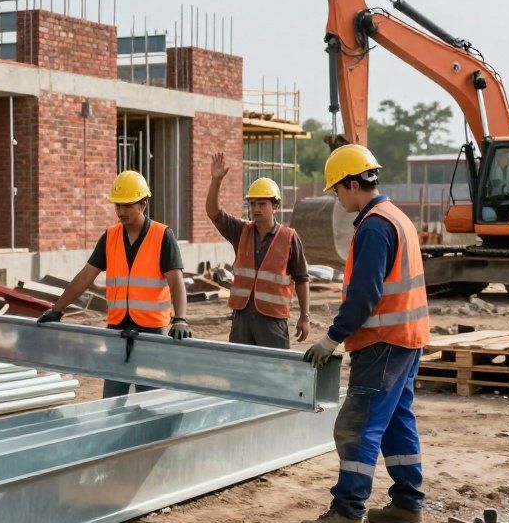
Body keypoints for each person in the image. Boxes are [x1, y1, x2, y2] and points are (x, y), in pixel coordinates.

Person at [299, 144, 430, 523]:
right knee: (395, 422)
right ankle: (408, 504)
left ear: (354, 184)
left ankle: (347, 512)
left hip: (382, 342)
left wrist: (331, 338)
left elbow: (364, 295)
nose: (337, 199)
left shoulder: (374, 226)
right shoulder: (396, 218)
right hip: (406, 340)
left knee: (356, 426)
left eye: (337, 190)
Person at [36, 170, 190, 397]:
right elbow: (86, 276)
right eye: (118, 205)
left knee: (150, 399)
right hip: (117, 329)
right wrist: (57, 309)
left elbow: (176, 282)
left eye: (128, 205)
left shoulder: (162, 236)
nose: (121, 211)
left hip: (152, 332)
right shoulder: (110, 237)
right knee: (112, 398)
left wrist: (180, 319)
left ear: (143, 204)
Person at [206, 152, 310, 348]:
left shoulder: (289, 238)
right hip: (242, 317)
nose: (256, 208)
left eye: (262, 204)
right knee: (241, 371)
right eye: (252, 203)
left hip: (272, 320)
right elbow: (213, 212)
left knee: (273, 372)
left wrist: (304, 317)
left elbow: (302, 279)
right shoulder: (241, 231)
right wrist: (216, 181)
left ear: (275, 207)